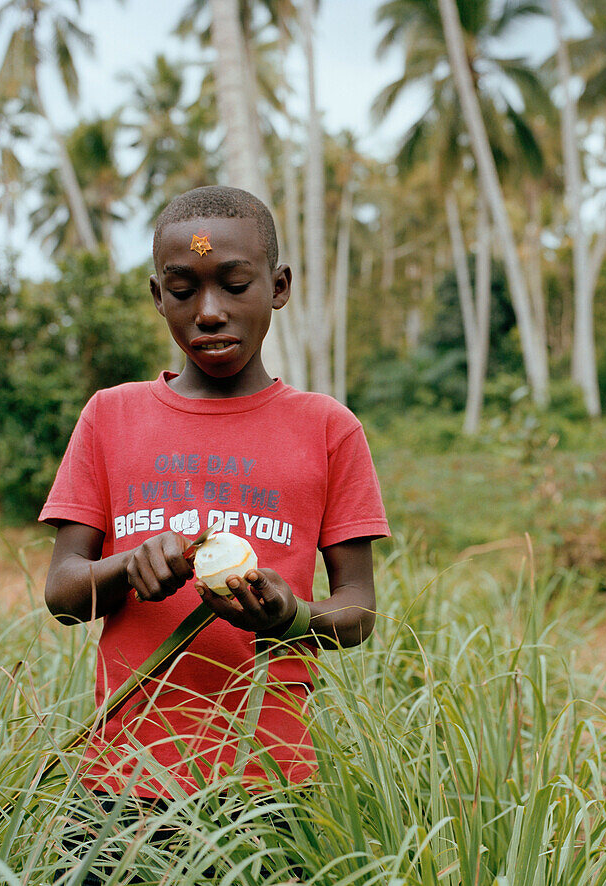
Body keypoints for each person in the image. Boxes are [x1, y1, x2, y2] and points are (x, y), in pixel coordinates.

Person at [41, 183, 390, 802]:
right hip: (122, 779)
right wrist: (128, 566)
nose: (208, 311)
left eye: (234, 285)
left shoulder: (329, 428)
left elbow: (358, 607)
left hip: (270, 780)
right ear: (158, 296)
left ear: (278, 288)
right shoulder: (109, 416)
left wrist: (292, 619)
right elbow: (64, 594)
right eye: (183, 290)